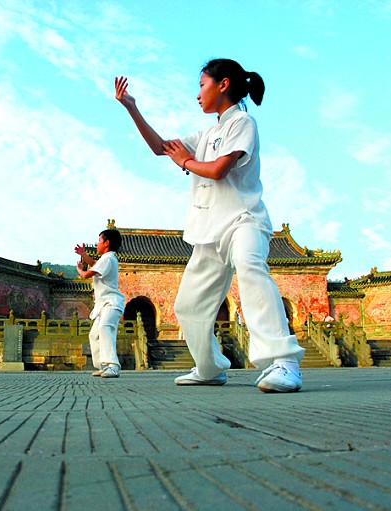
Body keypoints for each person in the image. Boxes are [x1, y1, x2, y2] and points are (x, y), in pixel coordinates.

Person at [114, 59, 305, 392]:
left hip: (243, 220)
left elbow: (218, 170)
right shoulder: (207, 134)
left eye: (202, 85)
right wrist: (132, 108)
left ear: (223, 84)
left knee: (249, 267)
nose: (197, 94)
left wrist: (185, 162)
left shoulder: (242, 123)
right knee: (187, 306)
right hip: (209, 230)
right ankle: (209, 367)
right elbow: (162, 148)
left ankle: (284, 362)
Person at [75, 229, 125, 379]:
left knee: (105, 327)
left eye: (99, 241)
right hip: (103, 305)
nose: (97, 244)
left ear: (106, 243)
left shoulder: (108, 258)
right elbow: (95, 265)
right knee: (94, 334)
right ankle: (103, 365)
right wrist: (84, 255)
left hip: (112, 303)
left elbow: (85, 275)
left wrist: (79, 269)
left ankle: (113, 366)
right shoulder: (107, 259)